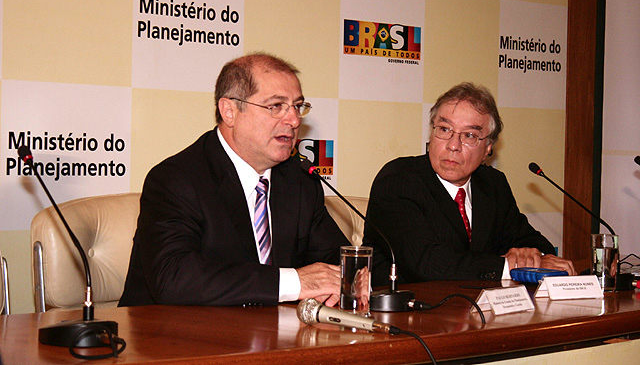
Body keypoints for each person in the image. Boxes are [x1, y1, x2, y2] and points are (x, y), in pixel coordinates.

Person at [119, 53, 348, 307]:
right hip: (175, 329)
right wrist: (294, 282)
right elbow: (173, 277)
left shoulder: (299, 181)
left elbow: (337, 260)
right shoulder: (176, 179)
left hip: (271, 329)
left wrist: (353, 277)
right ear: (229, 111)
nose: (294, 120)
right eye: (276, 106)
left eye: (297, 106)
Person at [364, 82, 575, 284]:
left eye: (469, 135)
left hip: (477, 304)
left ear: (488, 148)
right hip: (411, 305)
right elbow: (427, 263)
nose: (453, 145)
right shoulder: (399, 180)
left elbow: (529, 241)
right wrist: (509, 266)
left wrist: (539, 258)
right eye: (444, 129)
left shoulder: (492, 184)